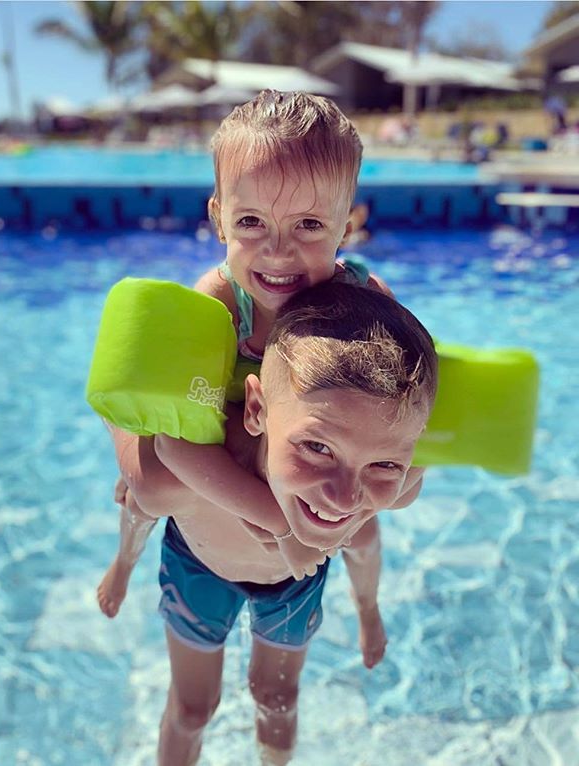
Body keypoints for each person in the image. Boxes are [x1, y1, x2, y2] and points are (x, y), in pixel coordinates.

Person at [108, 281, 438, 766]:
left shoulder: (388, 488)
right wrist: (122, 565)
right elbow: (145, 495)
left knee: (277, 700)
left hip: (292, 587)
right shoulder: (208, 468)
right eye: (318, 448)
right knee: (194, 708)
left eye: (386, 465)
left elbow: (365, 547)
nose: (345, 496)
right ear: (257, 411)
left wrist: (368, 611)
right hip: (199, 570)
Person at [97, 89, 392, 618]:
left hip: (291, 437)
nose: (278, 252)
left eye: (309, 225)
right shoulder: (220, 302)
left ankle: (368, 605)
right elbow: (176, 440)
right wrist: (281, 527)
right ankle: (123, 559)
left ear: (347, 225)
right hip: (213, 415)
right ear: (219, 218)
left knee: (363, 523)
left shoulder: (366, 304)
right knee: (145, 490)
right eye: (251, 222)